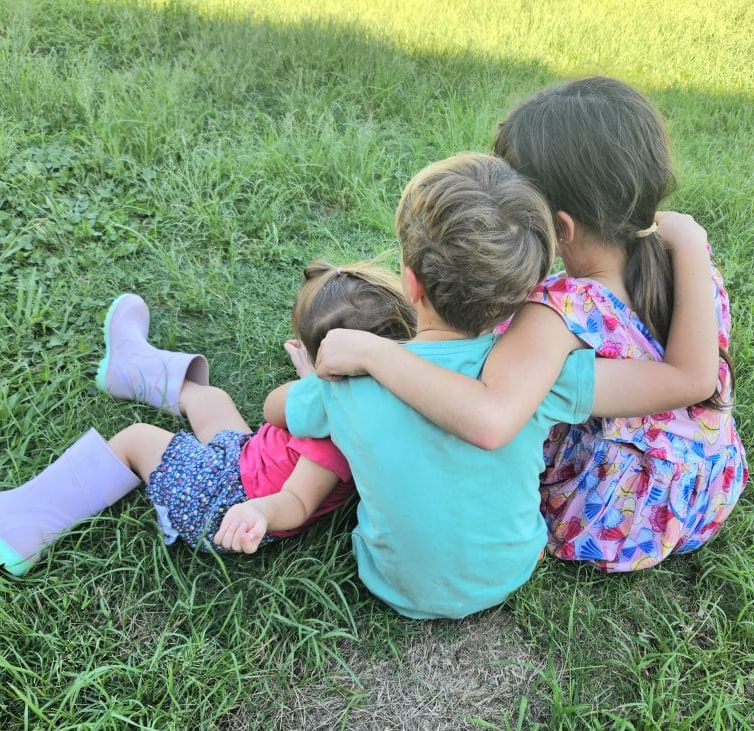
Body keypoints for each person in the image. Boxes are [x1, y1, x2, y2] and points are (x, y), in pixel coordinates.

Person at [315, 77, 748, 573]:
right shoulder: (686, 263)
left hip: (619, 517)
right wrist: (692, 239)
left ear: (559, 228)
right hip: (704, 489)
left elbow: (490, 418)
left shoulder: (559, 311)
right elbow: (693, 377)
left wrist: (377, 352)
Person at [263, 151, 719, 619]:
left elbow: (275, 409)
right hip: (511, 570)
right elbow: (677, 381)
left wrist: (316, 378)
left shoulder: (345, 383)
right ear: (524, 292)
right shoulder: (542, 376)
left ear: (411, 282)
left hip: (391, 584)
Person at [0, 261, 416, 576]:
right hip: (246, 461)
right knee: (212, 400)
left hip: (228, 500)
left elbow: (296, 500)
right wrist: (313, 375)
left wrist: (256, 514)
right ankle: (131, 368)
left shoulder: (331, 433)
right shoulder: (375, 396)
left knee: (138, 440)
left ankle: (24, 523)